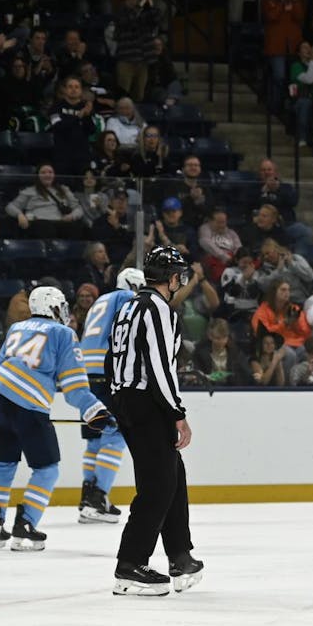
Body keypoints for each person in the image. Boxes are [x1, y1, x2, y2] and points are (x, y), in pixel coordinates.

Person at [0, 286, 111, 553]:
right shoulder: (63, 333)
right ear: (53, 308)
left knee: (3, 464)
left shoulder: (16, 328)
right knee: (47, 469)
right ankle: (26, 524)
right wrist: (95, 411)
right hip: (29, 406)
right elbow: (75, 387)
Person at [106, 246, 204, 596]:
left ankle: (180, 555)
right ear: (174, 278)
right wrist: (177, 413)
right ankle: (130, 565)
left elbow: (111, 359)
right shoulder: (158, 309)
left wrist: (117, 401)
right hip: (148, 403)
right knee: (159, 484)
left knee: (171, 474)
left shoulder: (128, 305)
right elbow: (160, 366)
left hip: (129, 399)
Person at [75, 267, 147, 524]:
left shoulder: (99, 301)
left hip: (86, 373)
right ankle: (98, 498)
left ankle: (88, 498)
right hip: (107, 372)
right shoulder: (126, 298)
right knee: (117, 434)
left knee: (95, 438)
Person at [193, 318, 253, 386]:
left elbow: (246, 375)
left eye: (224, 337)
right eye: (218, 338)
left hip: (231, 391)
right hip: (208, 391)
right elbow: (197, 374)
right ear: (210, 336)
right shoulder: (200, 354)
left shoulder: (236, 354)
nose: (222, 341)